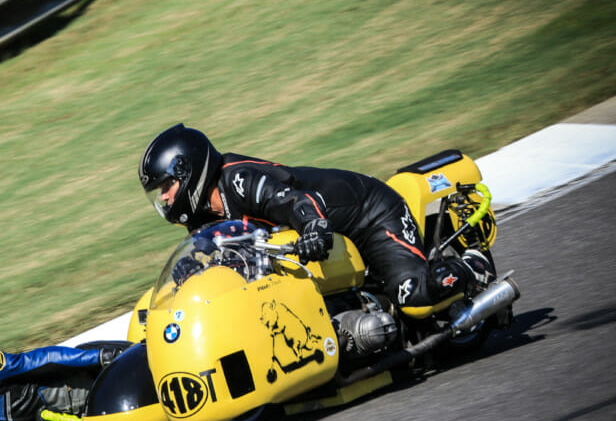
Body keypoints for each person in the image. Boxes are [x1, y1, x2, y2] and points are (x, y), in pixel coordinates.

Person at [137, 123, 493, 309]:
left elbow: (294, 201)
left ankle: (474, 265)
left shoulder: (239, 180)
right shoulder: (201, 216)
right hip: (330, 248)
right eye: (159, 193)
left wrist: (312, 225)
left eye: (166, 186)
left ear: (188, 174)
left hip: (368, 214)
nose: (165, 199)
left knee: (412, 296)